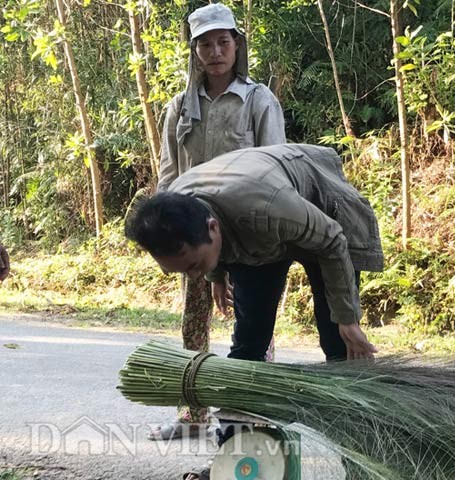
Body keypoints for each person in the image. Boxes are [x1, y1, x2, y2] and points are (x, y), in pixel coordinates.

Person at [152, 3, 286, 439]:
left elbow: (276, 167)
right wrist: (164, 231)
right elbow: (169, 175)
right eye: (205, 44)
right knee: (194, 323)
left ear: (236, 45)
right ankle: (192, 418)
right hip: (194, 237)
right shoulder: (179, 108)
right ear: (195, 52)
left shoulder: (258, 100)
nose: (215, 51)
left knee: (253, 322)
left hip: (247, 232)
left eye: (223, 42)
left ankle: (251, 413)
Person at [126, 144, 382, 364]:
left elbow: (332, 240)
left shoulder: (268, 210)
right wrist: (214, 274)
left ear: (213, 229)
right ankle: (238, 421)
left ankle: (345, 415)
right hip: (249, 225)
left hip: (314, 205)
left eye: (194, 265)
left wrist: (348, 319)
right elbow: (202, 221)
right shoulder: (176, 211)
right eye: (182, 271)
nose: (193, 276)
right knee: (249, 340)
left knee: (338, 336)